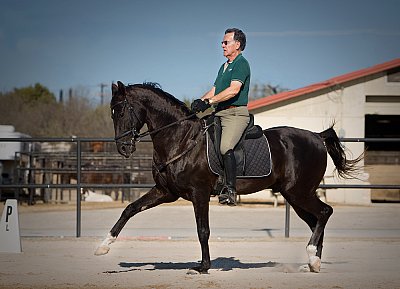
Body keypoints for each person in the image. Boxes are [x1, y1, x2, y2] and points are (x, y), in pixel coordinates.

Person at [191, 28, 250, 206]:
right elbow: (216, 90)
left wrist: (209, 102)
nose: (222, 45)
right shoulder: (224, 66)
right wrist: (200, 101)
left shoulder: (241, 63)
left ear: (237, 45)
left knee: (225, 147)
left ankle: (230, 190)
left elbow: (233, 90)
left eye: (226, 42)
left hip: (235, 114)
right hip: (220, 112)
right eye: (222, 42)